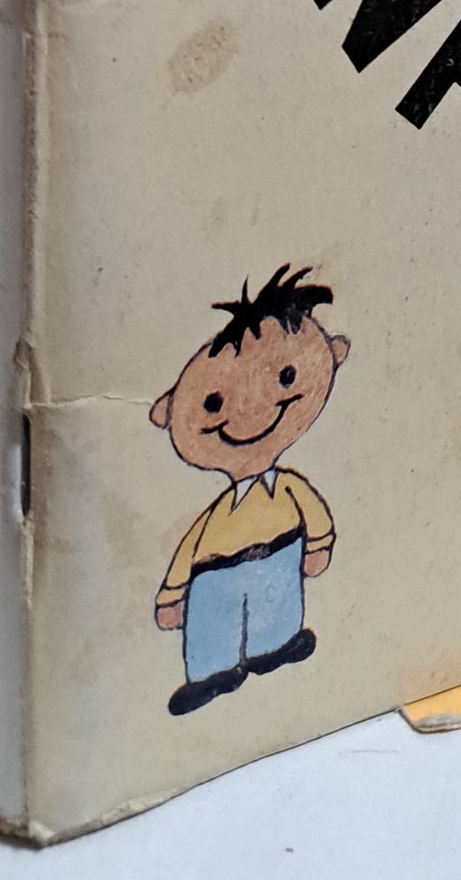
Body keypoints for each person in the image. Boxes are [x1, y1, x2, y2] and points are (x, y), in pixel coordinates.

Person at [150, 264, 350, 715]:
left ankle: (276, 648)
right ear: (170, 412)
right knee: (212, 629)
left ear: (332, 353)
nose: (251, 411)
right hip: (214, 574)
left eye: (285, 378)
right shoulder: (217, 516)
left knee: (277, 614)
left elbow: (315, 516)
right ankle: (210, 675)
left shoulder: (290, 489)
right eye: (214, 402)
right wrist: (173, 595)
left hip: (281, 552)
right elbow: (189, 548)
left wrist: (317, 545)